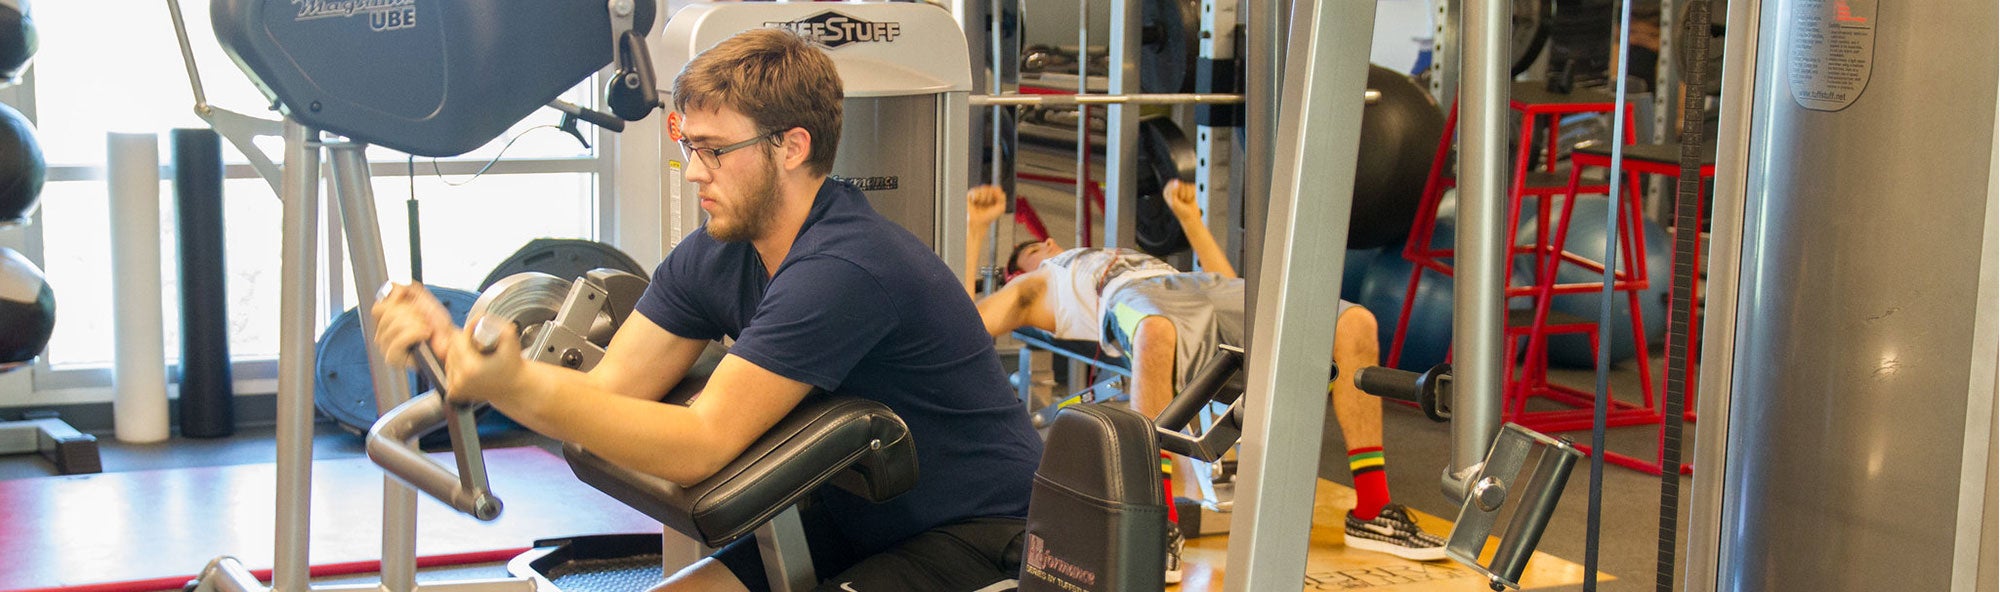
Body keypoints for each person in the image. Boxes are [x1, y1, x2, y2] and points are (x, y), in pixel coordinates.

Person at [373, 29, 1042, 592]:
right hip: (850, 515)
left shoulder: (846, 267)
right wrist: (465, 353)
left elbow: (700, 446)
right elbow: (604, 397)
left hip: (977, 532)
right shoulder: (716, 255)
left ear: (792, 146)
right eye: (686, 143)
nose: (693, 171)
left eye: (713, 149)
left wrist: (510, 382)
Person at [964, 180, 1447, 562]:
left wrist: (1191, 221)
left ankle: (1372, 509)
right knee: (1156, 331)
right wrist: (976, 227)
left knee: (1354, 321)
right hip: (1133, 301)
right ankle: (1158, 525)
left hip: (1192, 284)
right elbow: (962, 324)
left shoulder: (1111, 253)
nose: (1042, 246)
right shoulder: (1036, 285)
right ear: (1018, 272)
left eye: (1040, 243)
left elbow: (1236, 283)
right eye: (1026, 255)